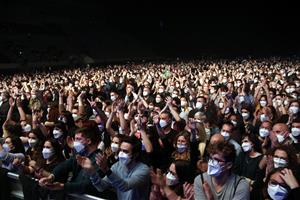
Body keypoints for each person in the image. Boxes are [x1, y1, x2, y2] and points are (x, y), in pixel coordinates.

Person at [39, 127, 112, 198]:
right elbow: (65, 165)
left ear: (89, 141)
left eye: (78, 139)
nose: (75, 142)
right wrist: (51, 177)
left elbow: (87, 185)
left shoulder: (99, 159)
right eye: (75, 139)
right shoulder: (81, 155)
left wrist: (63, 186)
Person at [78, 135, 150, 200]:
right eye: (120, 150)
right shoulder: (117, 166)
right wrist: (92, 172)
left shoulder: (143, 170)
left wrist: (106, 170)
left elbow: (125, 186)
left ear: (136, 154)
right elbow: (101, 187)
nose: (121, 153)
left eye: (125, 151)